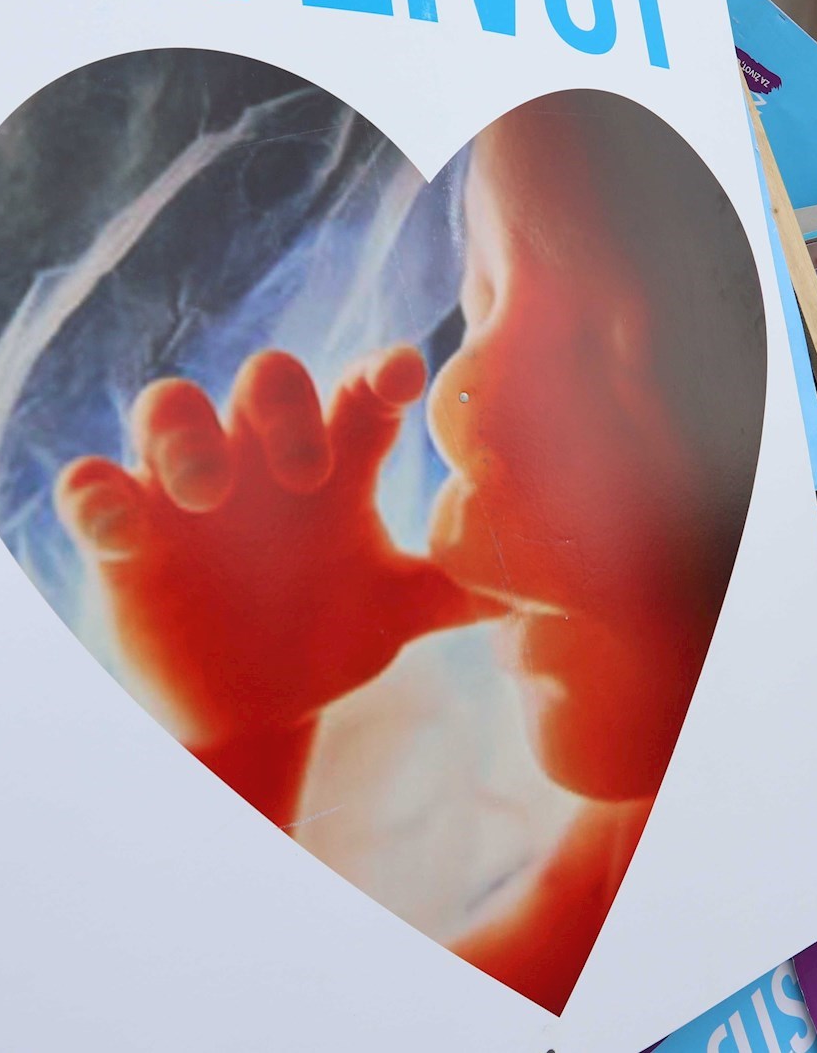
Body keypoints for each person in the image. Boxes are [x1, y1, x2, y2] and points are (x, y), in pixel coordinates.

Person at [52, 90, 766, 1013]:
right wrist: (249, 735)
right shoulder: (610, 856)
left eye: (605, 350)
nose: (453, 406)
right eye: (479, 308)